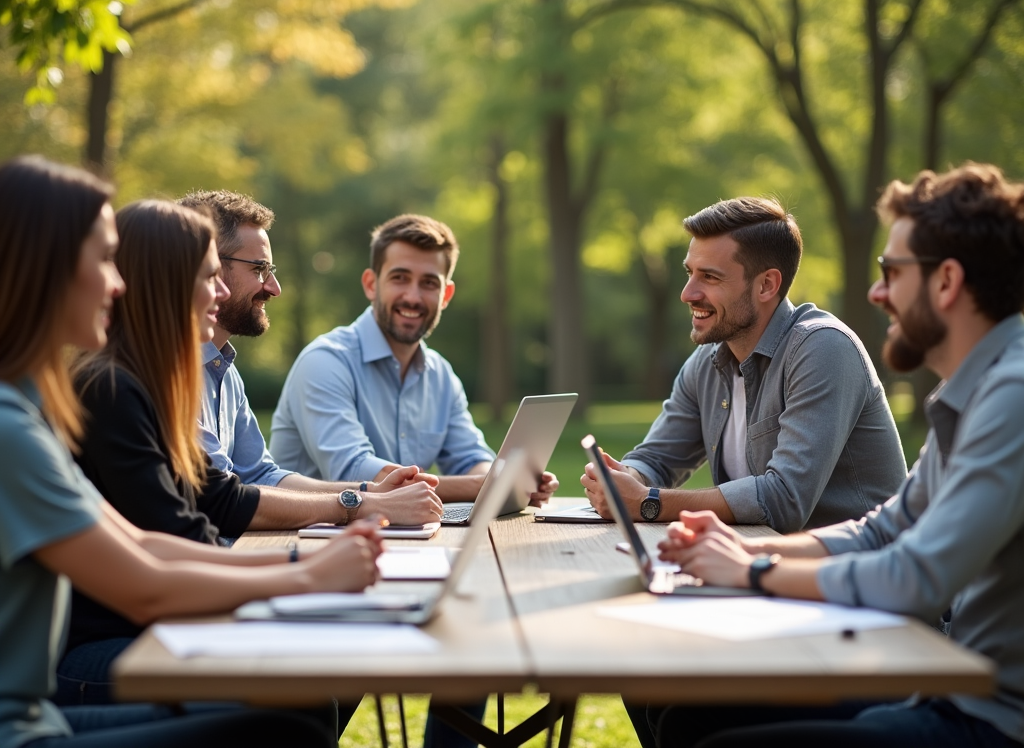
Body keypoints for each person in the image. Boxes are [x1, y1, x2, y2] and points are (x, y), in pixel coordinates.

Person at [0, 155, 381, 748]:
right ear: (44, 266)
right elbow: (147, 580)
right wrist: (305, 574)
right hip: (46, 708)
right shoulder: (31, 420)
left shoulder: (27, 408)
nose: (118, 280)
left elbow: (147, 544)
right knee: (288, 726)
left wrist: (310, 566)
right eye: (103, 258)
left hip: (46, 711)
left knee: (301, 708)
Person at [646, 163, 1024, 748]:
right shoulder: (972, 391)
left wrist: (753, 571)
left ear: (946, 282)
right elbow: (885, 529)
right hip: (948, 686)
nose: (876, 293)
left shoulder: (1012, 397)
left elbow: (918, 575)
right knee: (686, 715)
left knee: (714, 737)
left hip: (986, 713)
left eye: (891, 272)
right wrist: (742, 548)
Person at [582, 197, 907, 530]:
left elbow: (783, 499)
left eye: (709, 277)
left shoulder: (823, 348)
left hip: (858, 572)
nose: (687, 293)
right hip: (767, 565)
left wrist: (649, 502)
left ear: (766, 285)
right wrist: (621, 481)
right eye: (690, 273)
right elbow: (656, 458)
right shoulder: (707, 361)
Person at [175, 190, 442, 526]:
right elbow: (223, 500)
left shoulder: (224, 372)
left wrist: (371, 492)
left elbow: (261, 474)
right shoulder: (162, 376)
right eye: (259, 269)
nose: (274, 287)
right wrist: (362, 504)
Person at [270, 213, 558, 504]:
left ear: (446, 295)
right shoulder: (324, 362)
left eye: (429, 283)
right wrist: (494, 484)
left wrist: (508, 481)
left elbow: (469, 458)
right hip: (309, 541)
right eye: (400, 278)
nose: (413, 296)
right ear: (371, 284)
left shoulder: (441, 376)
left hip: (397, 535)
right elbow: (355, 474)